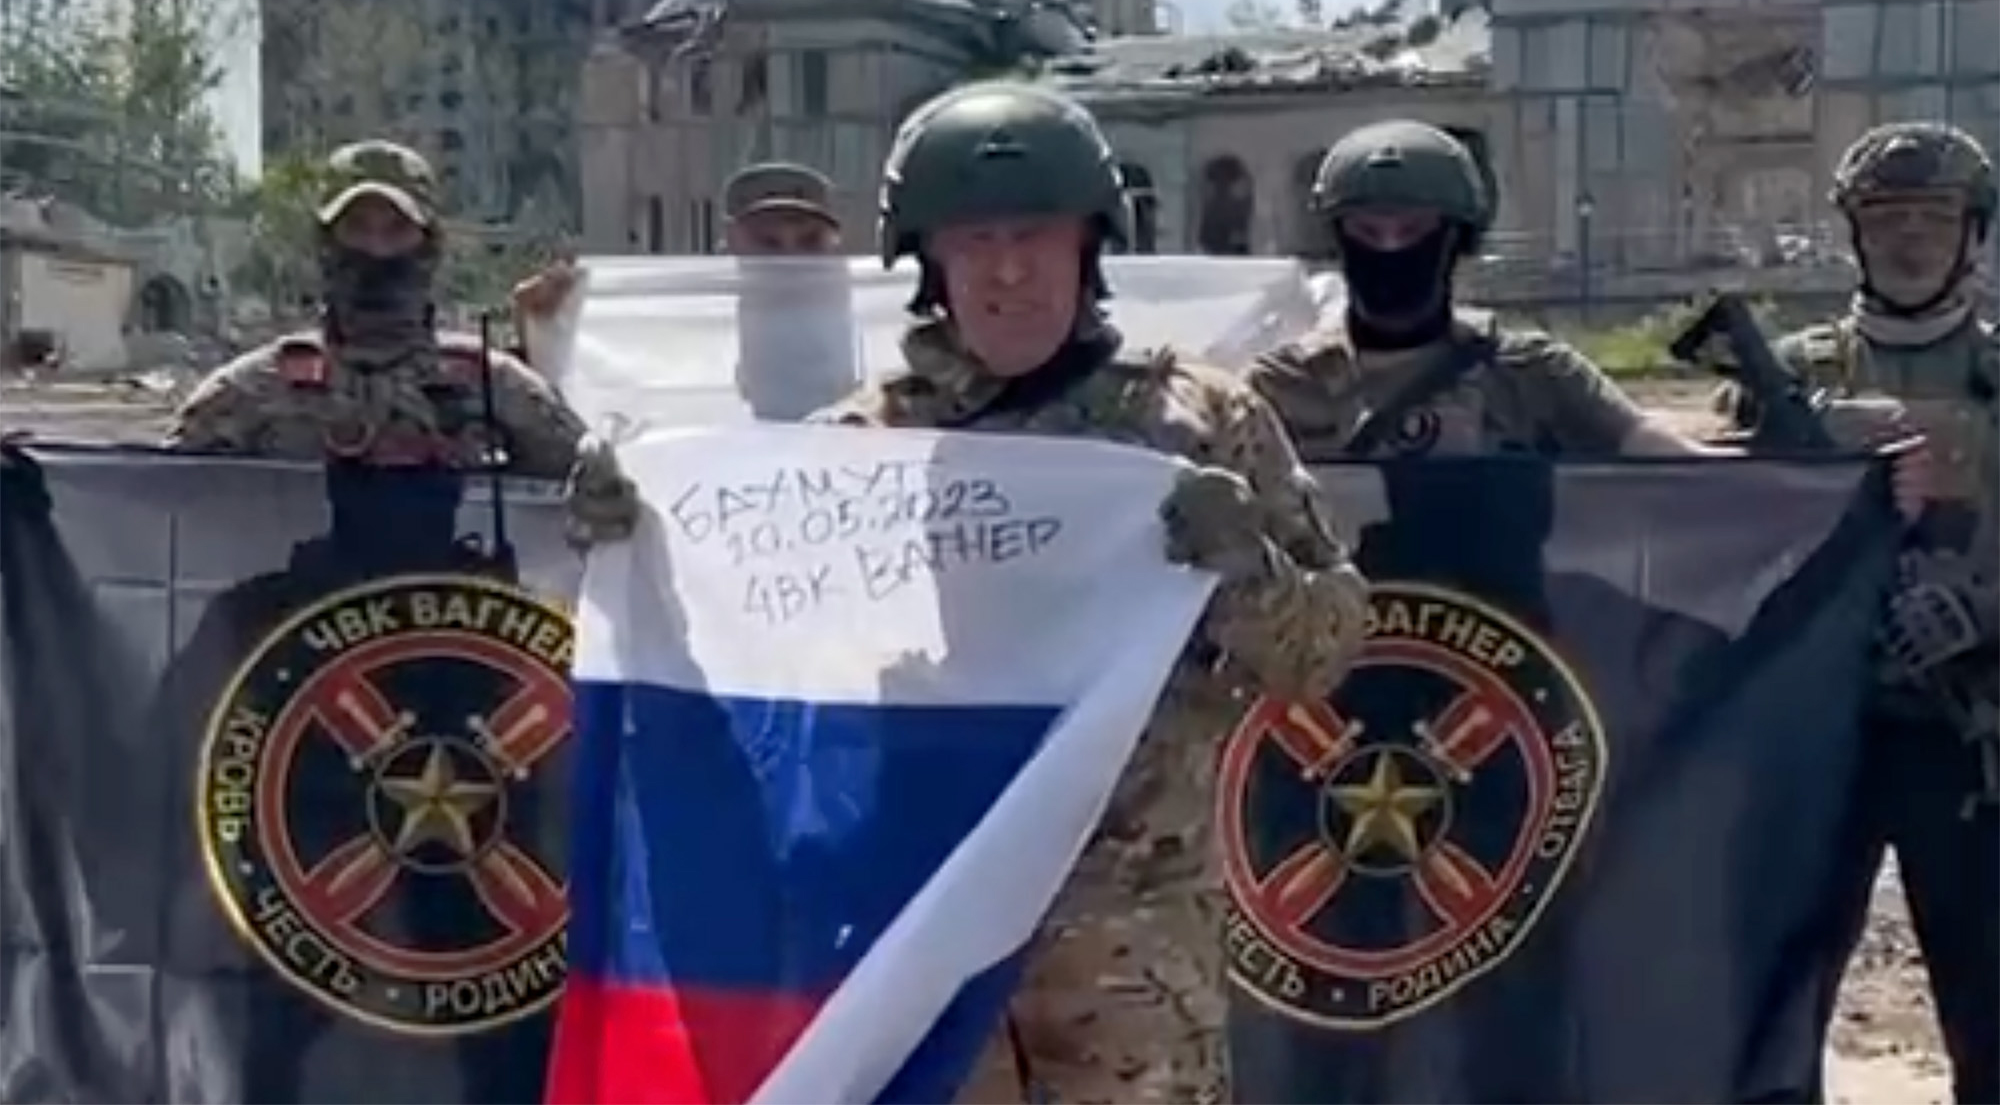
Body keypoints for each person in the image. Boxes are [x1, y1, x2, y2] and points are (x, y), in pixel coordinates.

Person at [802, 80, 1370, 1103]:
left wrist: (1245, 567)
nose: (1008, 271)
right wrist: (637, 539)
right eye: (973, 240)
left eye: (1036, 235)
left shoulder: (1195, 423)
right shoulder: (861, 448)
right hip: (926, 923)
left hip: (1131, 940)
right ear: (927, 260)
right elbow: (755, 642)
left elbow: (1324, 650)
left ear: (1089, 245)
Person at [1726, 122, 1997, 1105]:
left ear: (1973, 232)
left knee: (1987, 1004)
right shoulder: (1787, 375)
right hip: (1813, 736)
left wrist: (1978, 607)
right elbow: (1705, 537)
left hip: (1963, 738)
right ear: (1852, 232)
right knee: (1772, 1003)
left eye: (1934, 216)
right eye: (1886, 216)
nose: (1910, 237)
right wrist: (1788, 457)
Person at [1248, 119, 1929, 505]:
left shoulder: (1529, 371)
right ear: (1334, 239)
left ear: (1459, 239)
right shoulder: (1277, 390)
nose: (1390, 251)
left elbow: (1677, 470)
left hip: (1506, 677)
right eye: (1367, 233)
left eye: (1413, 231)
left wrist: (1833, 464)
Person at [164, 139, 635, 542]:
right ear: (326, 244)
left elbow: (604, 511)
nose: (376, 250)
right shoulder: (253, 391)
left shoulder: (497, 387)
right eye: (357, 229)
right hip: (295, 632)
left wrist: (601, 493)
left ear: (429, 246)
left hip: (465, 630)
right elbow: (151, 514)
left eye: (396, 230)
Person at [509, 160, 845, 327]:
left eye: (810, 241)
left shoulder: (869, 331)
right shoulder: (682, 329)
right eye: (767, 243)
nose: (790, 259)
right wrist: (549, 327)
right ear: (729, 245)